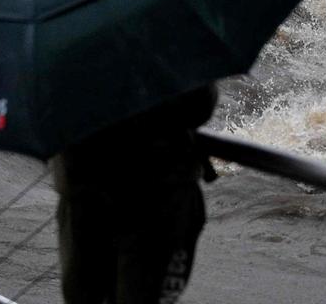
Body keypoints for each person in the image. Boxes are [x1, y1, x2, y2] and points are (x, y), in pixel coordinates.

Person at [51, 84, 218, 304]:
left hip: (81, 185)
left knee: (83, 294)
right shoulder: (161, 53)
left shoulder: (63, 59)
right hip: (157, 195)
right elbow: (198, 105)